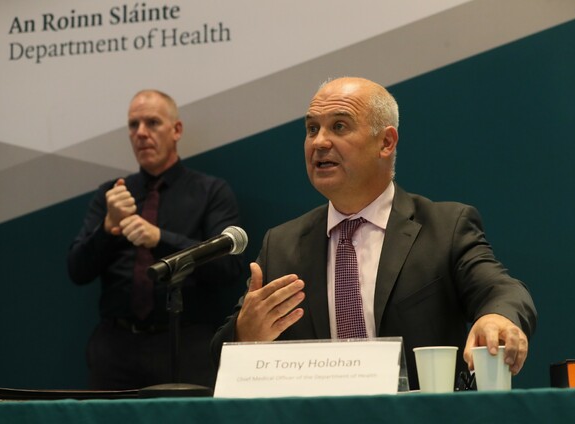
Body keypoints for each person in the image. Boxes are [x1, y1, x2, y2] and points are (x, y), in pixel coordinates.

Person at [211, 77, 537, 390]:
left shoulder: (444, 227)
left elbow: (501, 290)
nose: (319, 142)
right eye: (312, 129)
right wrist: (244, 334)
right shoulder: (282, 245)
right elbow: (220, 356)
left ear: (386, 142)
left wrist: (497, 317)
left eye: (339, 126)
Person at [68, 89, 245, 390]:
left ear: (176, 130)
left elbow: (229, 267)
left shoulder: (211, 191)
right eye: (133, 125)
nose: (141, 133)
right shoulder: (112, 194)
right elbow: (77, 270)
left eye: (152, 123)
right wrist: (108, 228)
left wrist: (159, 239)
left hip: (186, 345)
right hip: (115, 348)